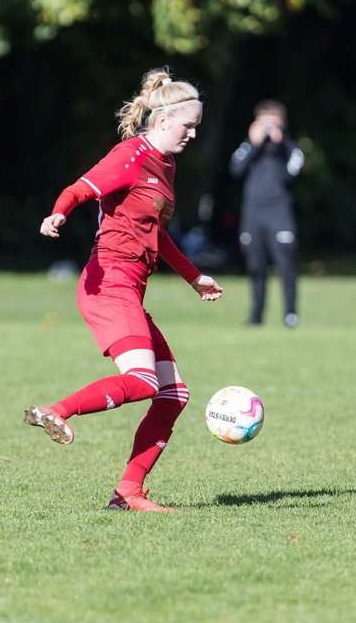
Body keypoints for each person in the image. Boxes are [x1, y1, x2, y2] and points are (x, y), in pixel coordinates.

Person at [25, 68, 223, 513]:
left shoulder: (165, 165)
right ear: (163, 119)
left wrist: (194, 277)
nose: (192, 135)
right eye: (187, 126)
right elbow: (80, 188)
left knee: (174, 394)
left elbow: (158, 234)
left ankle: (128, 493)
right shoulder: (131, 154)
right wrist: (57, 214)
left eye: (197, 127)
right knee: (144, 381)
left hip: (129, 288)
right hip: (108, 282)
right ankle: (57, 410)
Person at [229, 99, 304, 327]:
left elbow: (289, 177)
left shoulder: (291, 150)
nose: (269, 128)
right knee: (255, 266)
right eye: (264, 123)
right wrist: (254, 144)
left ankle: (290, 314)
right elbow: (235, 169)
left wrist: (278, 148)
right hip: (253, 212)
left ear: (282, 124)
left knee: (286, 264)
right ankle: (256, 316)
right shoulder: (249, 146)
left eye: (274, 123)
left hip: (279, 211)